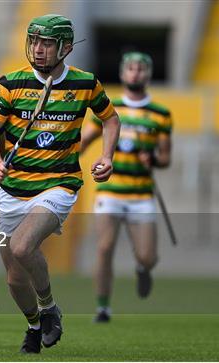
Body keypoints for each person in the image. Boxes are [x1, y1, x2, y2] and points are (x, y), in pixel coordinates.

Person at [0, 14, 120, 354]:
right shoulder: (9, 84)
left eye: (46, 44)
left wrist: (107, 157)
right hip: (14, 190)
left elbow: (110, 119)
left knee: (23, 246)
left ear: (65, 48)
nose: (38, 50)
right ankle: (32, 325)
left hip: (58, 184)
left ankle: (49, 308)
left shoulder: (85, 84)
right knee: (14, 277)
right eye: (34, 42)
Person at [81, 52, 173, 323]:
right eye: (131, 68)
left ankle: (143, 269)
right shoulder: (109, 108)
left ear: (148, 74)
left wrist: (153, 159)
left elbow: (166, 158)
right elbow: (83, 141)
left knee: (147, 256)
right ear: (122, 73)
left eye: (141, 69)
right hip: (110, 191)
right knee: (104, 247)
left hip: (141, 194)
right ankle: (102, 307)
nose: (135, 73)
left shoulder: (160, 114)